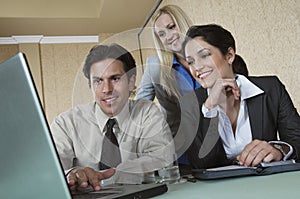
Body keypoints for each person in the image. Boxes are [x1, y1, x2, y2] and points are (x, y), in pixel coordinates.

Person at [50, 44, 174, 191]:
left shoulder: (146, 113)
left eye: (115, 78)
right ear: (90, 85)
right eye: (98, 81)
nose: (106, 89)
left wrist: (110, 175)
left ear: (131, 82)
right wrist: (71, 175)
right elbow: (50, 171)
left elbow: (163, 158)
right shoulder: (66, 123)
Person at [181, 24, 300, 169]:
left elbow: (296, 141)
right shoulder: (188, 104)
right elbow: (201, 164)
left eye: (204, 55)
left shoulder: (271, 88)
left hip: (268, 184)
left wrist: (279, 150)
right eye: (190, 62)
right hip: (220, 189)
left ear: (229, 55)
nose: (197, 67)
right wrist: (210, 107)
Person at [135, 4, 200, 170]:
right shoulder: (155, 65)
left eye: (171, 27)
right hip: (180, 150)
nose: (169, 37)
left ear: (182, 23)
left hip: (218, 142)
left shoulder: (208, 54)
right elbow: (140, 107)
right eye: (161, 34)